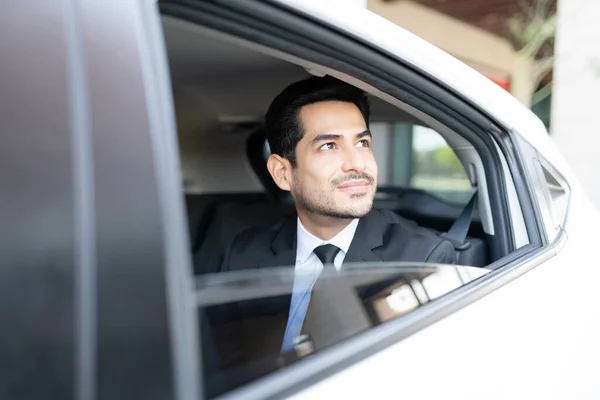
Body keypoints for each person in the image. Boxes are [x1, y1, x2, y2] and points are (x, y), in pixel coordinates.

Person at [207, 77, 455, 384]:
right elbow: (228, 357)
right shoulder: (245, 251)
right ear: (283, 173)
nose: (357, 163)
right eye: (329, 146)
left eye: (362, 143)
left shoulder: (422, 258)